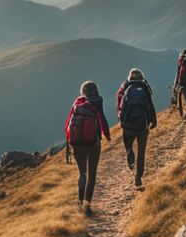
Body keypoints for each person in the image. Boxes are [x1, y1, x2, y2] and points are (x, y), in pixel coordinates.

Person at [64, 80, 112, 214]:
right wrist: (107, 134)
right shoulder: (98, 100)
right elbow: (101, 118)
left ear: (83, 92)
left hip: (77, 144)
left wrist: (69, 141)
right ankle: (87, 205)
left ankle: (79, 203)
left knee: (82, 173)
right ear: (96, 90)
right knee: (92, 173)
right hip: (93, 143)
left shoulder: (77, 103)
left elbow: (69, 123)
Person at [117, 69, 157, 190]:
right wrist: (153, 121)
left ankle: (129, 153)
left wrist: (121, 120)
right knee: (141, 153)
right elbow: (150, 105)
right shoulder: (145, 87)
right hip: (142, 126)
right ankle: (138, 178)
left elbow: (119, 105)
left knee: (128, 145)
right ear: (142, 77)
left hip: (127, 126)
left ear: (130, 77)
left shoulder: (124, 87)